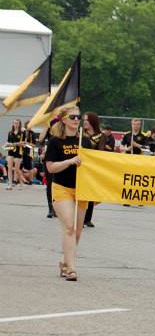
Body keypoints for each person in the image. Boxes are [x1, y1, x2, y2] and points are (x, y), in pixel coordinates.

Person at [45, 106, 93, 281]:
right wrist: (70, 161)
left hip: (82, 189)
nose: (76, 120)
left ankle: (65, 262)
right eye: (72, 117)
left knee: (78, 231)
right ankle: (71, 269)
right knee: (69, 227)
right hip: (62, 187)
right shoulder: (55, 141)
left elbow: (95, 166)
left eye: (79, 117)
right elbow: (50, 167)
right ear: (64, 119)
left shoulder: (85, 141)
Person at [81, 112, 106, 228]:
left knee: (90, 193)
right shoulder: (80, 133)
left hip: (92, 167)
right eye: (84, 120)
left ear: (93, 121)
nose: (85, 122)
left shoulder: (101, 136)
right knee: (80, 193)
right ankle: (79, 217)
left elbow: (100, 151)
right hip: (80, 166)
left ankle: (88, 218)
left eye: (87, 120)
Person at [5, 119, 25, 189]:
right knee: (9, 168)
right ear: (13, 124)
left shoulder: (22, 133)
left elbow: (22, 143)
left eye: (17, 123)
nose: (16, 124)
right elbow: (8, 141)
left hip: (18, 152)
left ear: (19, 124)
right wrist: (7, 143)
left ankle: (21, 183)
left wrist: (13, 144)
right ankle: (10, 184)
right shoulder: (10, 132)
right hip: (10, 151)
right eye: (15, 123)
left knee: (16, 169)